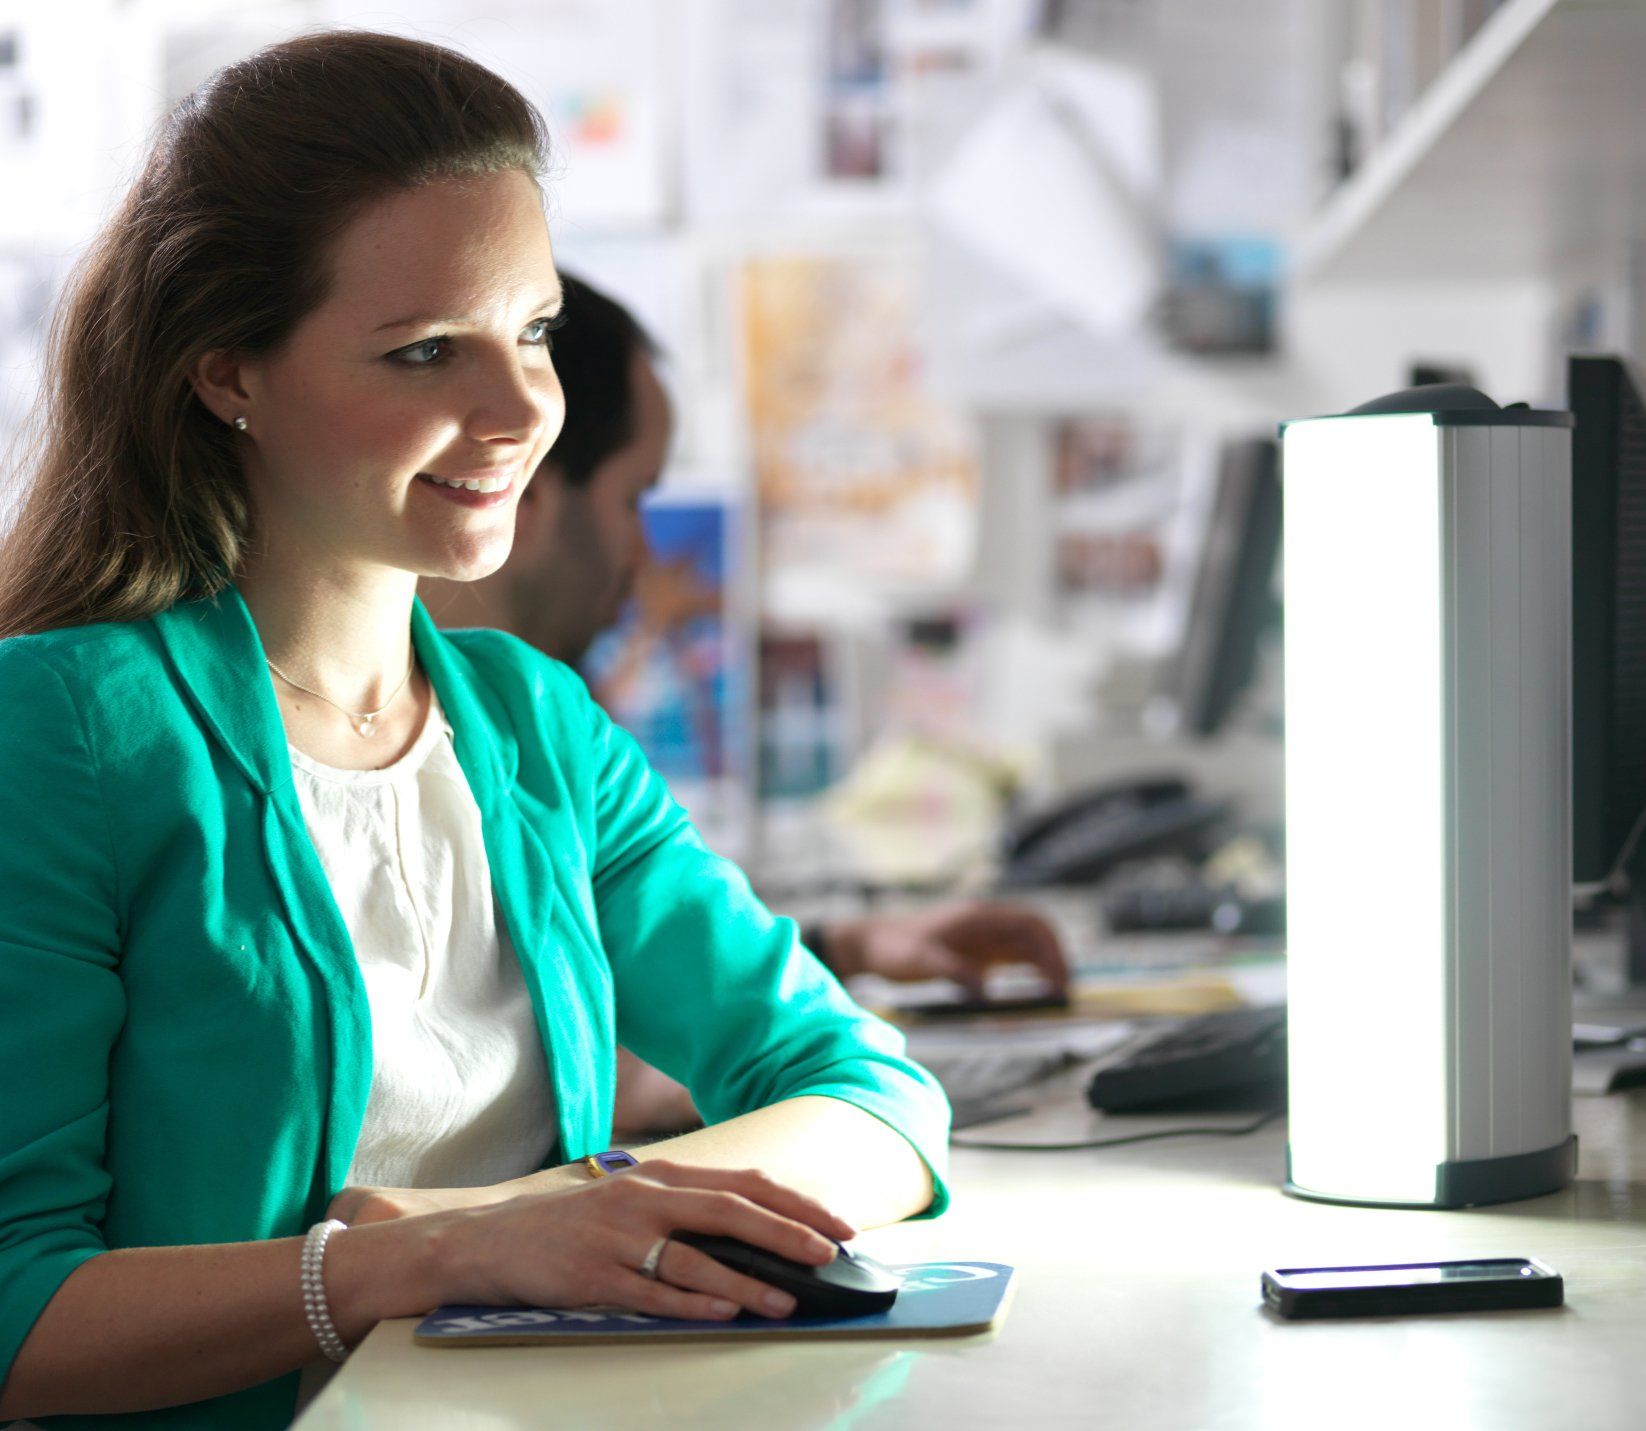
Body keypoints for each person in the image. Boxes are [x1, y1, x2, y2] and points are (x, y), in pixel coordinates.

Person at [0, 33, 948, 1429]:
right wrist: (428, 1255)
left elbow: (873, 1090)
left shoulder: (530, 722)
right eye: (426, 349)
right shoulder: (67, 731)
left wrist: (541, 1210)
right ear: (228, 376)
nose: (519, 411)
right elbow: (20, 1311)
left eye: (536, 330)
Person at [419, 272, 1073, 1135]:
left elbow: (647, 993)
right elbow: (587, 1081)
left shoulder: (546, 730)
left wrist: (846, 954)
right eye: (633, 499)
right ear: (521, 486)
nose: (648, 553)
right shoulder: (368, 747)